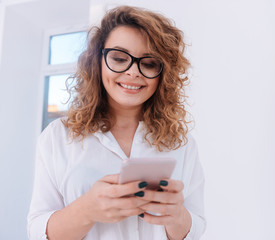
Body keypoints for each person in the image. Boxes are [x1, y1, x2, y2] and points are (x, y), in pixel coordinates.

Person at [27, 5, 205, 240]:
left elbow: (197, 227)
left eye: (149, 63)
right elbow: (37, 231)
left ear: (164, 74)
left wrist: (176, 215)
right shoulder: (57, 137)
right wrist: (86, 210)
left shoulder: (182, 144)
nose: (133, 72)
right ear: (97, 61)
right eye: (119, 58)